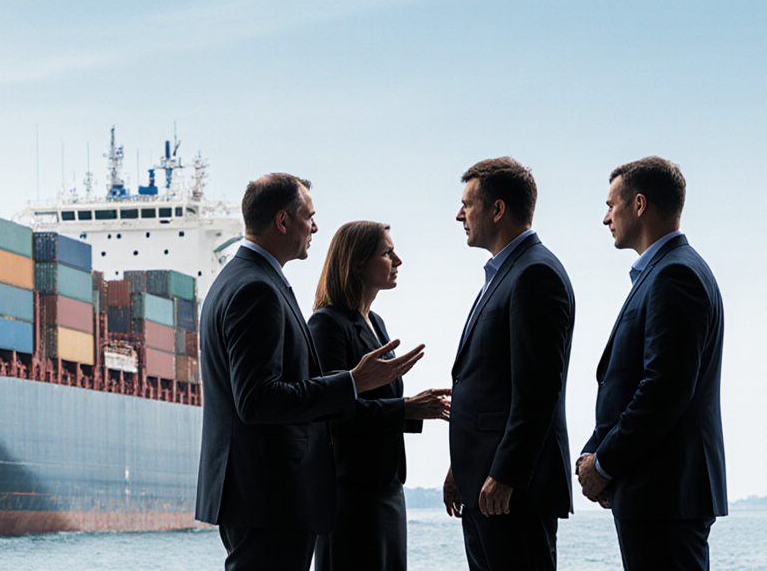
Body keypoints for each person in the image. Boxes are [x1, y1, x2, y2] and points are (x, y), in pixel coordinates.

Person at [196, 173, 424, 571]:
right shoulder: (257, 289)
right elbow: (257, 400)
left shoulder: (237, 281)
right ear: (283, 221)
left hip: (261, 496)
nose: (315, 227)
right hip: (271, 497)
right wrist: (353, 382)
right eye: (309, 217)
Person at [577, 156, 726, 571]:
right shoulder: (664, 272)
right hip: (656, 492)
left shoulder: (674, 275)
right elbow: (631, 382)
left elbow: (663, 390)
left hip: (665, 494)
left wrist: (605, 463)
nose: (605, 218)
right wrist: (596, 451)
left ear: (639, 205)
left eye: (611, 205)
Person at [443, 157, 575, 571]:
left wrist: (507, 473)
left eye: (468, 204)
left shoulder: (535, 274)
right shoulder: (505, 274)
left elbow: (536, 391)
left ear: (497, 209)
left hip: (510, 493)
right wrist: (460, 467)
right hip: (483, 486)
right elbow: (489, 388)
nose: (459, 214)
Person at [309, 221, 451, 571]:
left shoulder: (377, 323)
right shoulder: (327, 324)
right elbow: (332, 412)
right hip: (351, 494)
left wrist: (416, 408)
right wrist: (406, 408)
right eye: (387, 253)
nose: (398, 260)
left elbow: (373, 404)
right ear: (357, 263)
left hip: (385, 489)